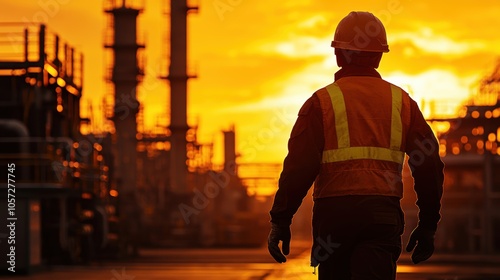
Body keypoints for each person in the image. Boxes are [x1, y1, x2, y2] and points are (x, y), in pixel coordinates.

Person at [267, 11, 444, 279]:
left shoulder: (320, 102)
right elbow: (428, 164)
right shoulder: (402, 103)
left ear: (338, 55)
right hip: (381, 216)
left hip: (334, 218)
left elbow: (299, 167)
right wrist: (428, 224)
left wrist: (281, 220)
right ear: (379, 55)